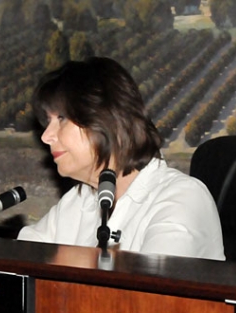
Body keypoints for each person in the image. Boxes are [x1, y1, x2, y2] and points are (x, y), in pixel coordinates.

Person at [17, 57, 224, 260]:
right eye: (48, 121)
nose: (46, 136)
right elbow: (20, 263)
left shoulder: (183, 198)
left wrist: (76, 262)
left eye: (61, 118)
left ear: (107, 119)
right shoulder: (79, 199)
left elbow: (151, 288)